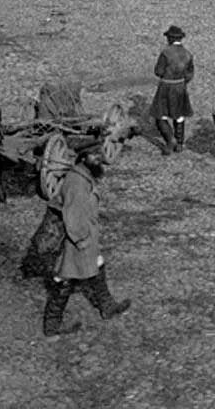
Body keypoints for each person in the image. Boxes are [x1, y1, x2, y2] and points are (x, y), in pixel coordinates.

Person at [42, 142, 131, 337]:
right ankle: (51, 325)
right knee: (64, 278)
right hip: (75, 239)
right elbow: (72, 217)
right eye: (93, 155)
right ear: (82, 158)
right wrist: (82, 240)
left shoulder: (84, 176)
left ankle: (107, 307)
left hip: (86, 235)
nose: (98, 158)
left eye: (99, 154)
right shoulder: (76, 183)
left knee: (97, 263)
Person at [150, 25, 194, 156]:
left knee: (160, 115)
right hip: (180, 86)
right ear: (180, 39)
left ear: (169, 38)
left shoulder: (166, 53)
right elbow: (190, 74)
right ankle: (180, 143)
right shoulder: (188, 54)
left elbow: (158, 71)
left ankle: (170, 140)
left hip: (166, 86)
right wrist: (181, 82)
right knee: (179, 115)